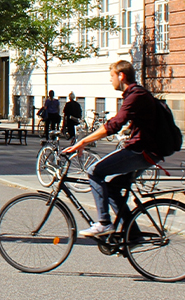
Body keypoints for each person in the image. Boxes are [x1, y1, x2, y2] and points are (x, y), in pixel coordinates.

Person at [63, 60, 167, 237]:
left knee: (94, 171)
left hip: (142, 152)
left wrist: (83, 142)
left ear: (121, 76)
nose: (110, 80)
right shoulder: (135, 94)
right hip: (148, 150)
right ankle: (132, 235)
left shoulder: (136, 95)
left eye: (111, 76)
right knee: (112, 189)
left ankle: (104, 222)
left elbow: (113, 125)